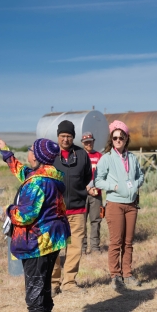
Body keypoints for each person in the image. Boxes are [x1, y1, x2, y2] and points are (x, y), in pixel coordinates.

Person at [0, 136, 71, 312]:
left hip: (38, 244)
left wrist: (8, 210)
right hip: (52, 241)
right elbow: (23, 172)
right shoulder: (50, 177)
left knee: (35, 297)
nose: (28, 153)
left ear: (35, 157)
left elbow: (24, 216)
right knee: (43, 290)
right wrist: (6, 151)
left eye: (30, 150)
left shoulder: (37, 183)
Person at [94, 120, 144, 289]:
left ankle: (127, 274)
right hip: (114, 204)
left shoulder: (132, 158)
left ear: (126, 138)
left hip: (131, 205)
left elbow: (141, 175)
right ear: (111, 139)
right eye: (115, 138)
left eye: (121, 137)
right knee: (116, 241)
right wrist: (113, 187)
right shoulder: (106, 159)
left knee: (128, 242)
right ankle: (115, 276)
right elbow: (98, 180)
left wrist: (136, 185)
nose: (118, 140)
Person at [51, 120, 92, 295]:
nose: (65, 139)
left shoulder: (82, 154)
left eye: (68, 136)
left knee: (75, 247)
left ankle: (69, 282)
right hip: (55, 211)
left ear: (73, 137)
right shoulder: (51, 155)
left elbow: (87, 176)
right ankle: (53, 283)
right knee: (54, 247)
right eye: (62, 136)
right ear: (58, 137)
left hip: (77, 209)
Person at [81, 131, 103, 254]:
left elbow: (102, 175)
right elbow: (77, 176)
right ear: (83, 143)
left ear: (93, 142)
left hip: (96, 193)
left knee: (96, 220)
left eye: (90, 142)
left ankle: (95, 247)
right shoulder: (78, 156)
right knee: (81, 222)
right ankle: (83, 248)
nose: (88, 144)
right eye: (86, 142)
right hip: (82, 194)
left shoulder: (100, 156)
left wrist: (96, 189)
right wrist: (86, 189)